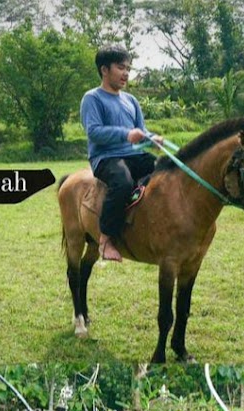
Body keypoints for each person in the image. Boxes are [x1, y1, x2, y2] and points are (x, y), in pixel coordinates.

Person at [80, 45, 161, 262]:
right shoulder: (92, 98)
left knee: (165, 172)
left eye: (128, 68)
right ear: (104, 70)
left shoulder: (131, 100)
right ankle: (106, 239)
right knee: (123, 183)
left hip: (134, 155)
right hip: (106, 158)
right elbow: (94, 132)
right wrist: (126, 134)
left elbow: (141, 132)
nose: (126, 73)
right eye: (120, 67)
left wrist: (152, 138)